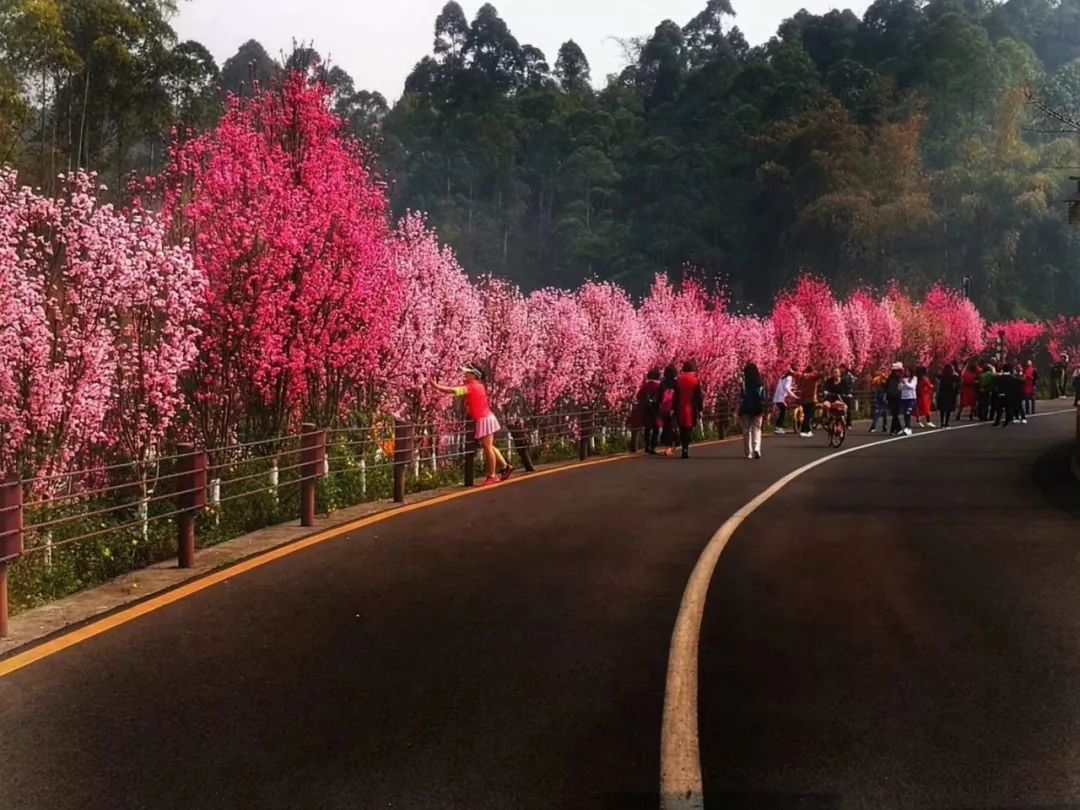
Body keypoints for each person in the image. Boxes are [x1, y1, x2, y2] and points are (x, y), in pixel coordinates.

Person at [430, 365, 512, 486]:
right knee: (489, 446)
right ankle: (505, 467)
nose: (465, 375)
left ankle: (492, 476)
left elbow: (453, 391)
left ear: (474, 375)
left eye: (467, 373)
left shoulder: (472, 387)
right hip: (485, 418)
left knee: (488, 448)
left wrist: (436, 386)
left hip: (484, 419)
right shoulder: (479, 385)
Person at [674, 361, 704, 459]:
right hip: (691, 408)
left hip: (680, 408)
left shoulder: (678, 380)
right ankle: (686, 447)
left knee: (682, 429)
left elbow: (675, 396)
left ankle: (684, 448)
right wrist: (700, 409)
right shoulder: (696, 381)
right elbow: (699, 396)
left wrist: (673, 408)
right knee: (688, 429)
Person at [738, 363, 768, 460]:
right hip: (757, 408)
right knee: (757, 429)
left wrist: (741, 384)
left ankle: (748, 453)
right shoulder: (759, 383)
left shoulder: (744, 383)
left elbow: (742, 396)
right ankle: (757, 448)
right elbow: (763, 397)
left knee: (746, 431)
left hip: (746, 408)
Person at [635, 369, 662, 454]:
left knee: (647, 428)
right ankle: (653, 447)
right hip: (656, 410)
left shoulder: (645, 386)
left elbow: (638, 396)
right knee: (656, 428)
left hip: (646, 410)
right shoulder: (659, 386)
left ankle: (646, 447)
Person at [658, 365, 679, 456]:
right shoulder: (677, 383)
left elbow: (659, 397)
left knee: (667, 427)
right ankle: (672, 446)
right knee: (673, 426)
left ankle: (669, 447)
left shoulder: (662, 383)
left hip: (664, 409)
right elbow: (679, 396)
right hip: (674, 408)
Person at [795, 365, 821, 438]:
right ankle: (803, 431)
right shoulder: (812, 377)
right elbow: (819, 376)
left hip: (803, 399)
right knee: (808, 416)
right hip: (810, 399)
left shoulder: (803, 377)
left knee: (806, 414)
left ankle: (808, 431)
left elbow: (800, 386)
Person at [772, 368, 795, 435]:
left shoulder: (784, 377)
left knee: (783, 409)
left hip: (778, 397)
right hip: (780, 398)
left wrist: (792, 388)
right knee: (783, 410)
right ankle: (778, 426)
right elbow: (786, 387)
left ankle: (778, 426)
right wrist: (793, 395)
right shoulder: (789, 377)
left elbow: (784, 386)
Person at [886, 363, 905, 435]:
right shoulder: (895, 379)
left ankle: (894, 430)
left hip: (894, 396)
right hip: (894, 397)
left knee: (895, 414)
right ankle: (897, 429)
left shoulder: (892, 378)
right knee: (895, 413)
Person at [937, 364, 958, 428]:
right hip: (950, 393)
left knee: (942, 409)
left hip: (942, 393)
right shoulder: (953, 376)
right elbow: (958, 378)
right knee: (948, 409)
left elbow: (937, 376)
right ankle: (946, 423)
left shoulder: (941, 376)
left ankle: (941, 423)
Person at [900, 368, 917, 434]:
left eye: (907, 371)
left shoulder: (914, 378)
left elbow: (912, 386)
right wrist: (902, 383)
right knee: (905, 414)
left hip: (911, 398)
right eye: (905, 371)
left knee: (908, 412)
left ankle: (908, 427)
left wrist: (905, 384)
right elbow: (900, 388)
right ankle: (907, 427)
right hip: (904, 398)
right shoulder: (903, 379)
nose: (906, 373)